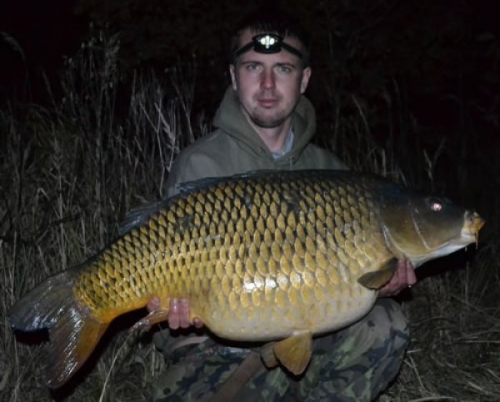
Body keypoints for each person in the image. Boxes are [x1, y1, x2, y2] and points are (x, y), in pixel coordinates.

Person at [149, 9, 417, 402]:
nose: (269, 84)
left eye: (285, 69)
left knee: (386, 324)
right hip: (220, 339)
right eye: (254, 67)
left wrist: (384, 284)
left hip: (311, 331)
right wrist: (176, 312)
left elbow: (350, 283)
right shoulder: (201, 164)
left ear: (304, 80)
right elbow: (170, 274)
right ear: (233, 77)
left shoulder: (332, 172)